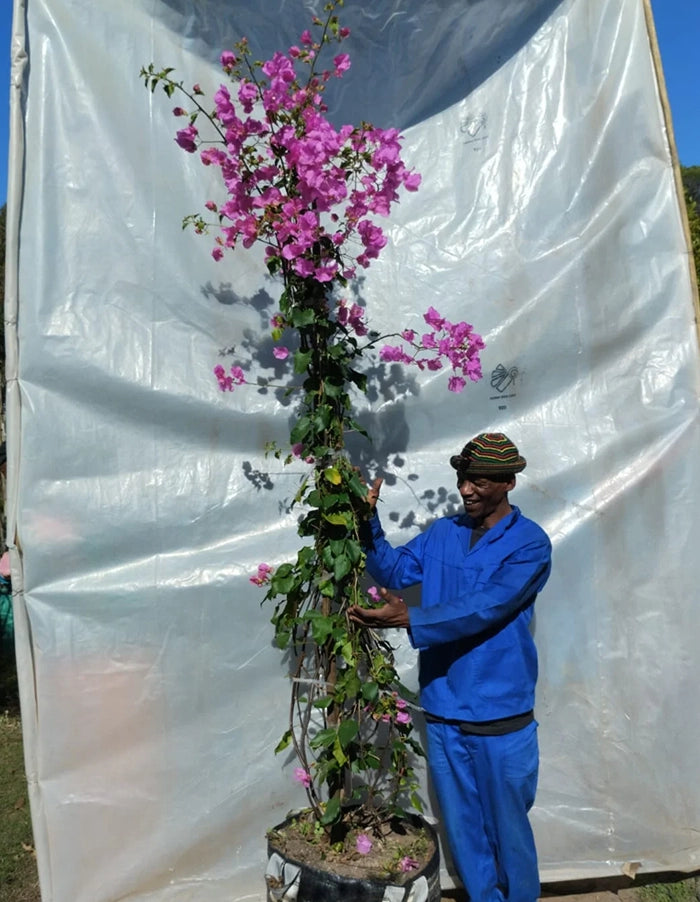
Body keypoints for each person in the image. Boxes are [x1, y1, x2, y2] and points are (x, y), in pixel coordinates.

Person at [348, 432, 551, 902]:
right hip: (444, 709)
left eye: (478, 480)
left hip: (499, 714)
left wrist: (411, 617)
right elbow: (396, 571)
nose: (465, 489)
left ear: (508, 483)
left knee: (509, 831)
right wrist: (367, 520)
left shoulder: (529, 545)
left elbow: (489, 605)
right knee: (463, 829)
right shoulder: (444, 534)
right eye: (462, 478)